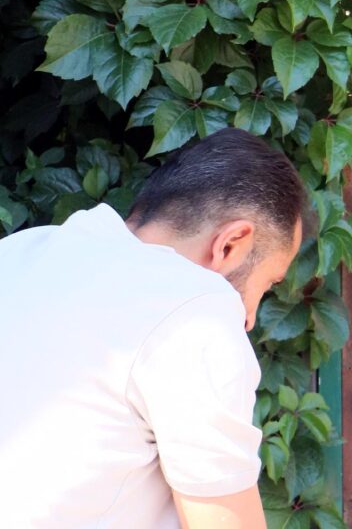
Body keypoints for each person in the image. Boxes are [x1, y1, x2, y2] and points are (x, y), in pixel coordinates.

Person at [0, 128, 309, 528]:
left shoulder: (20, 251)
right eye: (266, 285)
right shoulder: (197, 311)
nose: (249, 318)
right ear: (230, 244)